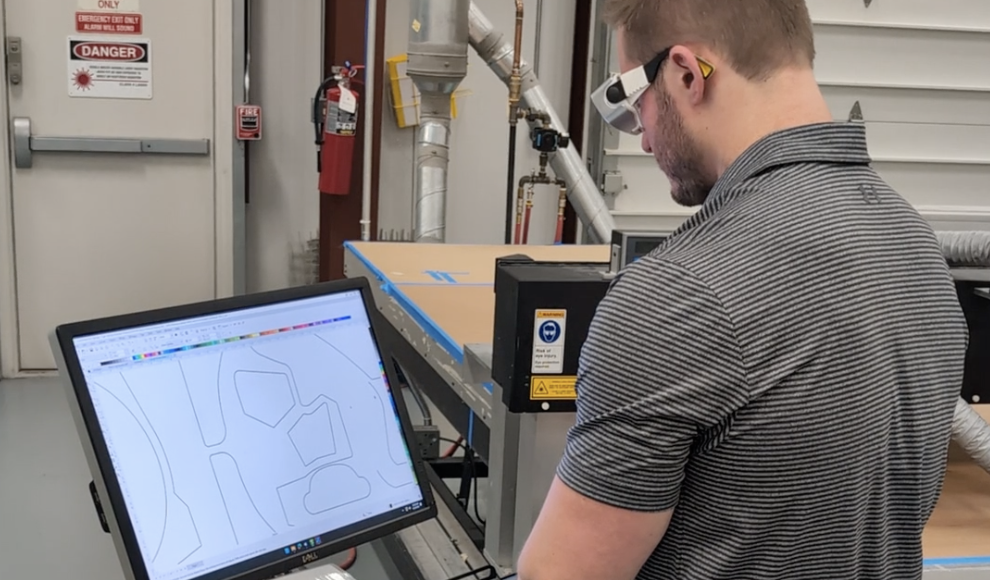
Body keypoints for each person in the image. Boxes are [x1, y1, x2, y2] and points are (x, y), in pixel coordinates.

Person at [515, 1, 970, 579]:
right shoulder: (914, 246)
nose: (644, 139)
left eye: (636, 101)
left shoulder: (675, 295)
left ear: (687, 73)